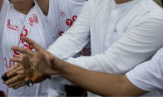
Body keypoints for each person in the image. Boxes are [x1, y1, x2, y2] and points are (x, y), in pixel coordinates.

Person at [5, 0, 163, 95]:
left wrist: (50, 66)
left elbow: (111, 63)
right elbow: (73, 38)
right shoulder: (96, 2)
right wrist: (46, 58)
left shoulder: (154, 18)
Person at [9, 35, 163, 96]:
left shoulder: (155, 18)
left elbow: (112, 65)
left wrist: (59, 68)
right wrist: (57, 68)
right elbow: (122, 86)